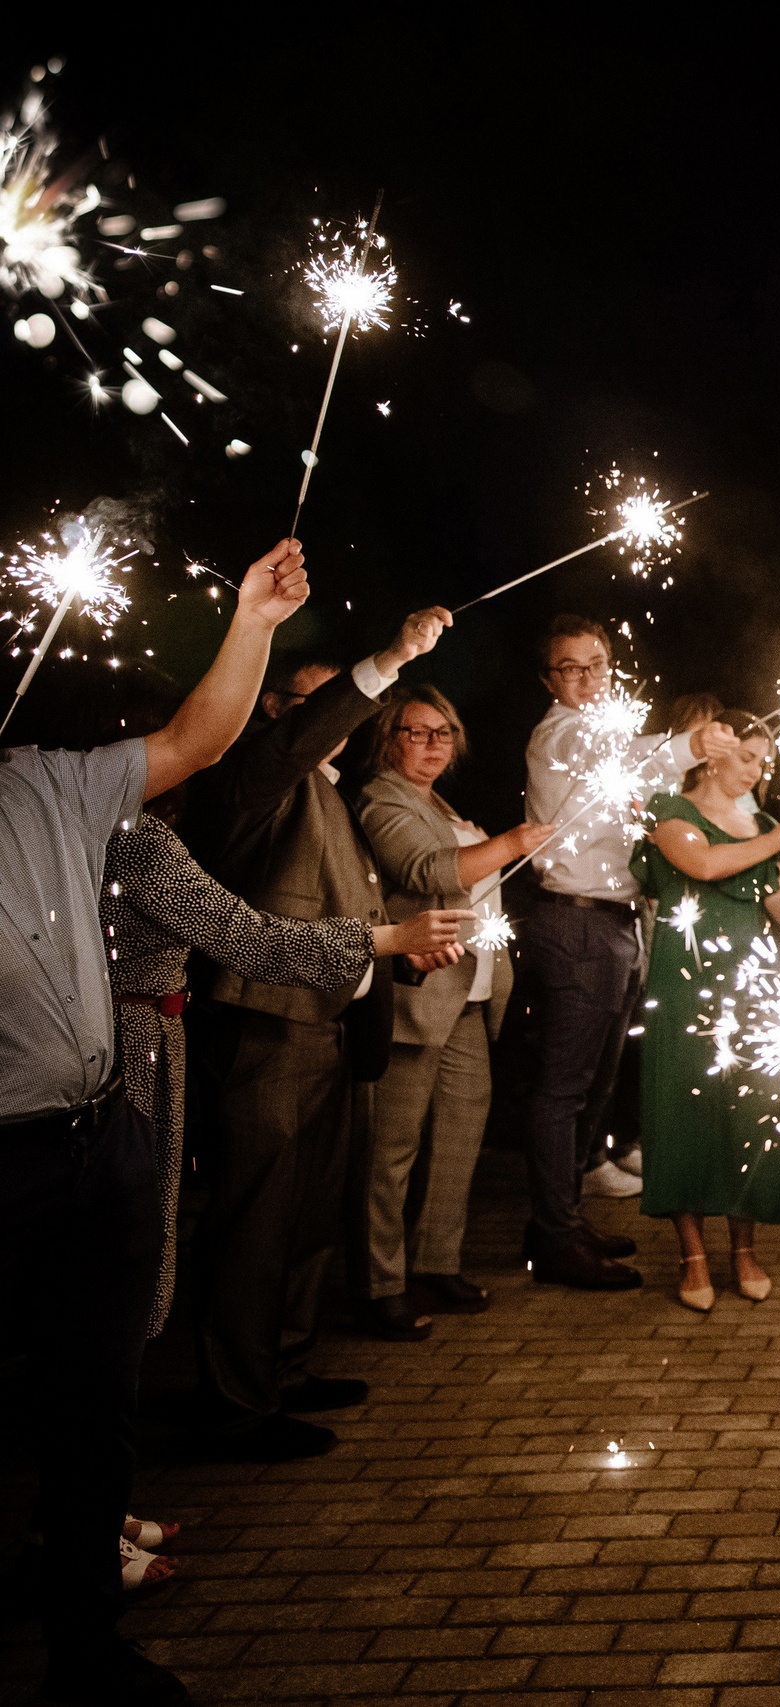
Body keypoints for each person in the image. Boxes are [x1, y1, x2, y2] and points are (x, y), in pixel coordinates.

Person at [1, 537, 305, 1707]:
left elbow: (197, 741)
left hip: (97, 1136)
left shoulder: (53, 777)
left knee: (95, 1409)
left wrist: (253, 623)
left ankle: (89, 1651)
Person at [187, 602, 452, 1462]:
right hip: (268, 1023)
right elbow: (299, 741)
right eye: (317, 701)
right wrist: (386, 659)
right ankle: (236, 1401)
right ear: (277, 713)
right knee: (256, 1219)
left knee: (304, 1217)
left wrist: (397, 959)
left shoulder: (335, 793)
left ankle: (286, 1367)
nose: (343, 713)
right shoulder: (254, 778)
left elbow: (349, 907)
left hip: (333, 1024)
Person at [519, 615, 738, 1289]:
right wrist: (691, 742)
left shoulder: (605, 736)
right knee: (563, 1090)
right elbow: (631, 760)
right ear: (548, 679)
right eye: (571, 667)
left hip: (615, 923)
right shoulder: (561, 733)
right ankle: (553, 1238)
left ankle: (564, 1219)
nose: (587, 678)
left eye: (597, 664)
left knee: (596, 1086)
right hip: (576, 925)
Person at [356, 686, 550, 1339]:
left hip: (468, 995)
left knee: (461, 1137)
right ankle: (382, 1283)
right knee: (394, 1148)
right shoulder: (383, 798)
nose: (435, 743)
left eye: (444, 731)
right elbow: (426, 867)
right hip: (420, 994)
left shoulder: (434, 799)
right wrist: (514, 840)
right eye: (418, 732)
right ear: (390, 737)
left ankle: (436, 1263)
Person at [630, 719, 780, 1311]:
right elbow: (704, 865)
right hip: (683, 986)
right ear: (712, 757)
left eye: (761, 764)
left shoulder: (769, 827)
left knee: (752, 1113)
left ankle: (743, 1250)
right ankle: (693, 1256)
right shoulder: (670, 810)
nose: (753, 771)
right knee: (682, 1109)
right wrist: (779, 841)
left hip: (752, 988)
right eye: (744, 757)